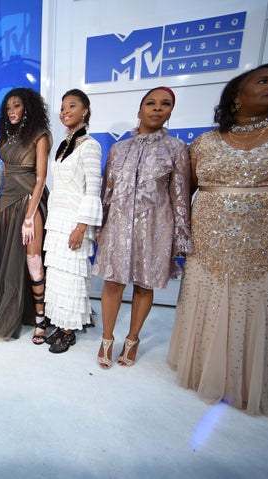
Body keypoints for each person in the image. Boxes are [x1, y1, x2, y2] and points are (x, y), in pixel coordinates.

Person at [167, 64, 268, 417]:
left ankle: (251, 385)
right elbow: (184, 192)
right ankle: (203, 374)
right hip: (209, 240)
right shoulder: (203, 143)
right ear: (236, 96)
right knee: (209, 303)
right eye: (264, 80)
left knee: (263, 306)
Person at [92, 86, 191, 368]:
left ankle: (133, 339)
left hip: (155, 226)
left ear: (171, 111)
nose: (157, 108)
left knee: (145, 285)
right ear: (140, 110)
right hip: (118, 224)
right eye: (151, 103)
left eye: (165, 104)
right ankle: (107, 339)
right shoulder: (119, 148)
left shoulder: (177, 149)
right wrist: (100, 227)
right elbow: (106, 192)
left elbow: (180, 196)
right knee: (112, 282)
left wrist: (180, 237)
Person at [0, 88, 51, 341]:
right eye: (8, 107)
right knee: (8, 261)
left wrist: (30, 216)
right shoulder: (4, 140)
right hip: (7, 202)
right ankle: (11, 312)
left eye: (17, 106)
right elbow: (8, 175)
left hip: (30, 201)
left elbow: (41, 178)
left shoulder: (40, 136)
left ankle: (41, 320)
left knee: (33, 262)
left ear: (27, 108)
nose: (12, 111)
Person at [43, 89, 103, 353]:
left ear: (85, 111)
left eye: (72, 106)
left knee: (73, 275)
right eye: (63, 106)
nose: (66, 110)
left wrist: (82, 226)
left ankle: (69, 330)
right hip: (57, 219)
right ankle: (61, 320)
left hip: (74, 221)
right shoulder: (64, 145)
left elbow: (92, 189)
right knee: (57, 274)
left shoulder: (90, 145)